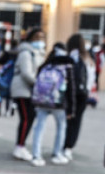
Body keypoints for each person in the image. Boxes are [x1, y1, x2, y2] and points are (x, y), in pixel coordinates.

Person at [29, 42, 76, 167]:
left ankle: (36, 155)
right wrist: (72, 108)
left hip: (41, 101)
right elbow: (71, 89)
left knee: (39, 127)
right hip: (58, 103)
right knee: (61, 127)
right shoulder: (66, 67)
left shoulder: (45, 65)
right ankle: (57, 154)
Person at [10, 28, 46, 162]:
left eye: (42, 38)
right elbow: (26, 73)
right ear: (30, 38)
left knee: (29, 117)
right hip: (22, 90)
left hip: (28, 90)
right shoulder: (26, 52)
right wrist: (38, 84)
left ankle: (21, 145)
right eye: (37, 37)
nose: (40, 41)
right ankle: (19, 146)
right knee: (27, 117)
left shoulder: (37, 53)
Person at [63, 33, 92, 161]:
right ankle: (68, 147)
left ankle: (64, 145)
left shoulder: (69, 57)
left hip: (69, 93)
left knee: (67, 120)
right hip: (82, 94)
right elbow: (91, 79)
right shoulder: (87, 59)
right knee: (76, 121)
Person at [0, 39, 18, 116]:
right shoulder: (19, 54)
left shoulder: (8, 54)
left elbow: (1, 63)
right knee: (13, 97)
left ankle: (5, 109)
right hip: (15, 78)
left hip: (7, 78)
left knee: (6, 95)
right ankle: (12, 110)